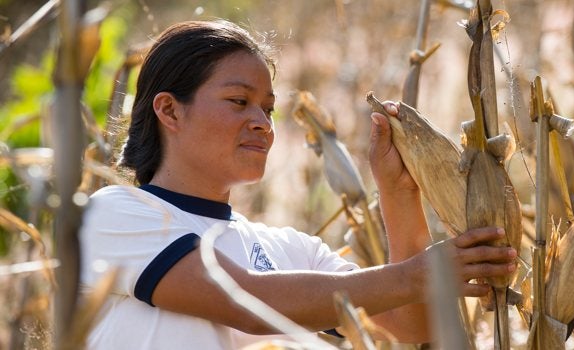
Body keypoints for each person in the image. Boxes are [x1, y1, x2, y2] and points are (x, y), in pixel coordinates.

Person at [79, 20, 517, 349]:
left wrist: (400, 194)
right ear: (170, 111)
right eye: (239, 102)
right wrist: (417, 275)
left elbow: (411, 324)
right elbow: (244, 301)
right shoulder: (115, 213)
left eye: (268, 110)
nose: (262, 124)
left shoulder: (288, 249)